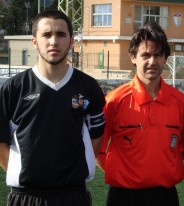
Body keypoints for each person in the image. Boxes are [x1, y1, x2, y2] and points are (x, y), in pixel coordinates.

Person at [0, 9, 106, 206]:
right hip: (26, 197)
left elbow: (97, 136)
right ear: (34, 41)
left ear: (71, 40)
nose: (53, 41)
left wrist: (77, 167)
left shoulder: (88, 87)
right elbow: (1, 143)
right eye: (46, 34)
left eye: (60, 34)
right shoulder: (13, 88)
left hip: (73, 196)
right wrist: (25, 172)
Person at [96, 22, 184, 206]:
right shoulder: (115, 101)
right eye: (145, 55)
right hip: (124, 197)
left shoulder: (180, 102)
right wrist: (123, 173)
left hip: (166, 196)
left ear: (165, 58)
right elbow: (98, 149)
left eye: (158, 55)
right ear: (133, 57)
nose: (152, 61)